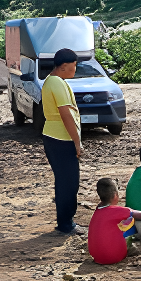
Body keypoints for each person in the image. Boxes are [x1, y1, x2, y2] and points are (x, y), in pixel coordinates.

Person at [39, 47, 84, 235]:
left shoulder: (54, 81)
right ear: (64, 66)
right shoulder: (56, 82)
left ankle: (66, 221)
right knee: (68, 182)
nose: (75, 69)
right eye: (74, 65)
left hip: (56, 137)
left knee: (66, 181)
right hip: (60, 138)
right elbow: (65, 114)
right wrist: (77, 142)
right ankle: (66, 224)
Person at [88, 178, 141, 265]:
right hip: (115, 256)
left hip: (96, 257)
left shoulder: (98, 209)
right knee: (131, 222)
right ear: (115, 195)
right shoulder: (119, 210)